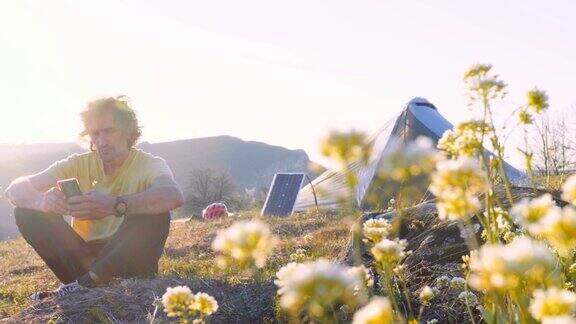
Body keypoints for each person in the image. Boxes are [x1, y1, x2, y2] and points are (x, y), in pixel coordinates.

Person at [4, 96, 184, 299]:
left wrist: (115, 205)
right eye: (95, 134)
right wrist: (41, 202)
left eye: (109, 131)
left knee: (156, 212)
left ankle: (84, 285)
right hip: (83, 261)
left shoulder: (149, 164)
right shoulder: (78, 163)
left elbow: (173, 195)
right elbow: (14, 190)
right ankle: (86, 283)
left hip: (129, 260)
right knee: (27, 212)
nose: (101, 141)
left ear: (127, 131)